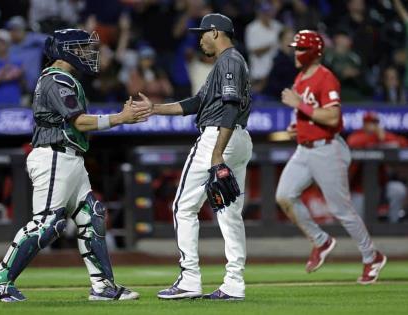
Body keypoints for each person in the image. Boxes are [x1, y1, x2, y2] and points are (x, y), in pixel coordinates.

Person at [0, 29, 150, 302]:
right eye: (81, 47)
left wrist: (119, 118)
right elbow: (79, 121)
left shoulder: (66, 78)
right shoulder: (56, 78)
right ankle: (0, 278)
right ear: (64, 50)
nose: (87, 52)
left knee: (91, 217)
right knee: (46, 223)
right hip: (54, 156)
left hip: (70, 157)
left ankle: (103, 286)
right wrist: (120, 117)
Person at [133, 13, 252, 300]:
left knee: (183, 207)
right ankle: (234, 283)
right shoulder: (228, 62)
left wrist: (216, 153)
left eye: (202, 34)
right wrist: (155, 109)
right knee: (229, 213)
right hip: (238, 138)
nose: (199, 39)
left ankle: (189, 279)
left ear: (215, 32)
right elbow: (197, 103)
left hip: (219, 136)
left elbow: (230, 106)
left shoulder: (228, 61)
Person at [275, 30, 386, 285]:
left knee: (341, 210)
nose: (296, 53)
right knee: (284, 195)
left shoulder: (326, 78)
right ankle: (321, 240)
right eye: (296, 48)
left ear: (313, 52)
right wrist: (298, 127)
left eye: (300, 49)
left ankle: (372, 256)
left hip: (328, 148)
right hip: (305, 149)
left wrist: (299, 106)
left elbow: (333, 117)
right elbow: (309, 116)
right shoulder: (300, 78)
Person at [347, 111, 408, 222]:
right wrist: (376, 138)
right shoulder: (357, 136)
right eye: (370, 122)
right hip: (360, 191)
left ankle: (393, 224)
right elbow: (353, 143)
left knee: (398, 190)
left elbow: (402, 143)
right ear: (364, 124)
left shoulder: (382, 135)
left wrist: (381, 137)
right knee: (357, 223)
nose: (373, 126)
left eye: (375, 123)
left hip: (381, 188)